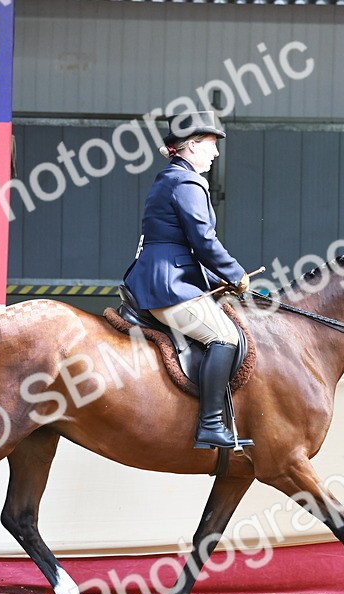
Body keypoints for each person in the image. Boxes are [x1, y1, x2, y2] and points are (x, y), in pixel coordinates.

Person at [123, 112, 253, 451]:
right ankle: (210, 424)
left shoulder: (171, 177)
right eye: (211, 145)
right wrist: (235, 274)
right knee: (224, 336)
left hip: (169, 275)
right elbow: (203, 241)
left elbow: (181, 245)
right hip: (167, 285)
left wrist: (214, 280)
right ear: (192, 146)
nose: (216, 153)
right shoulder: (185, 182)